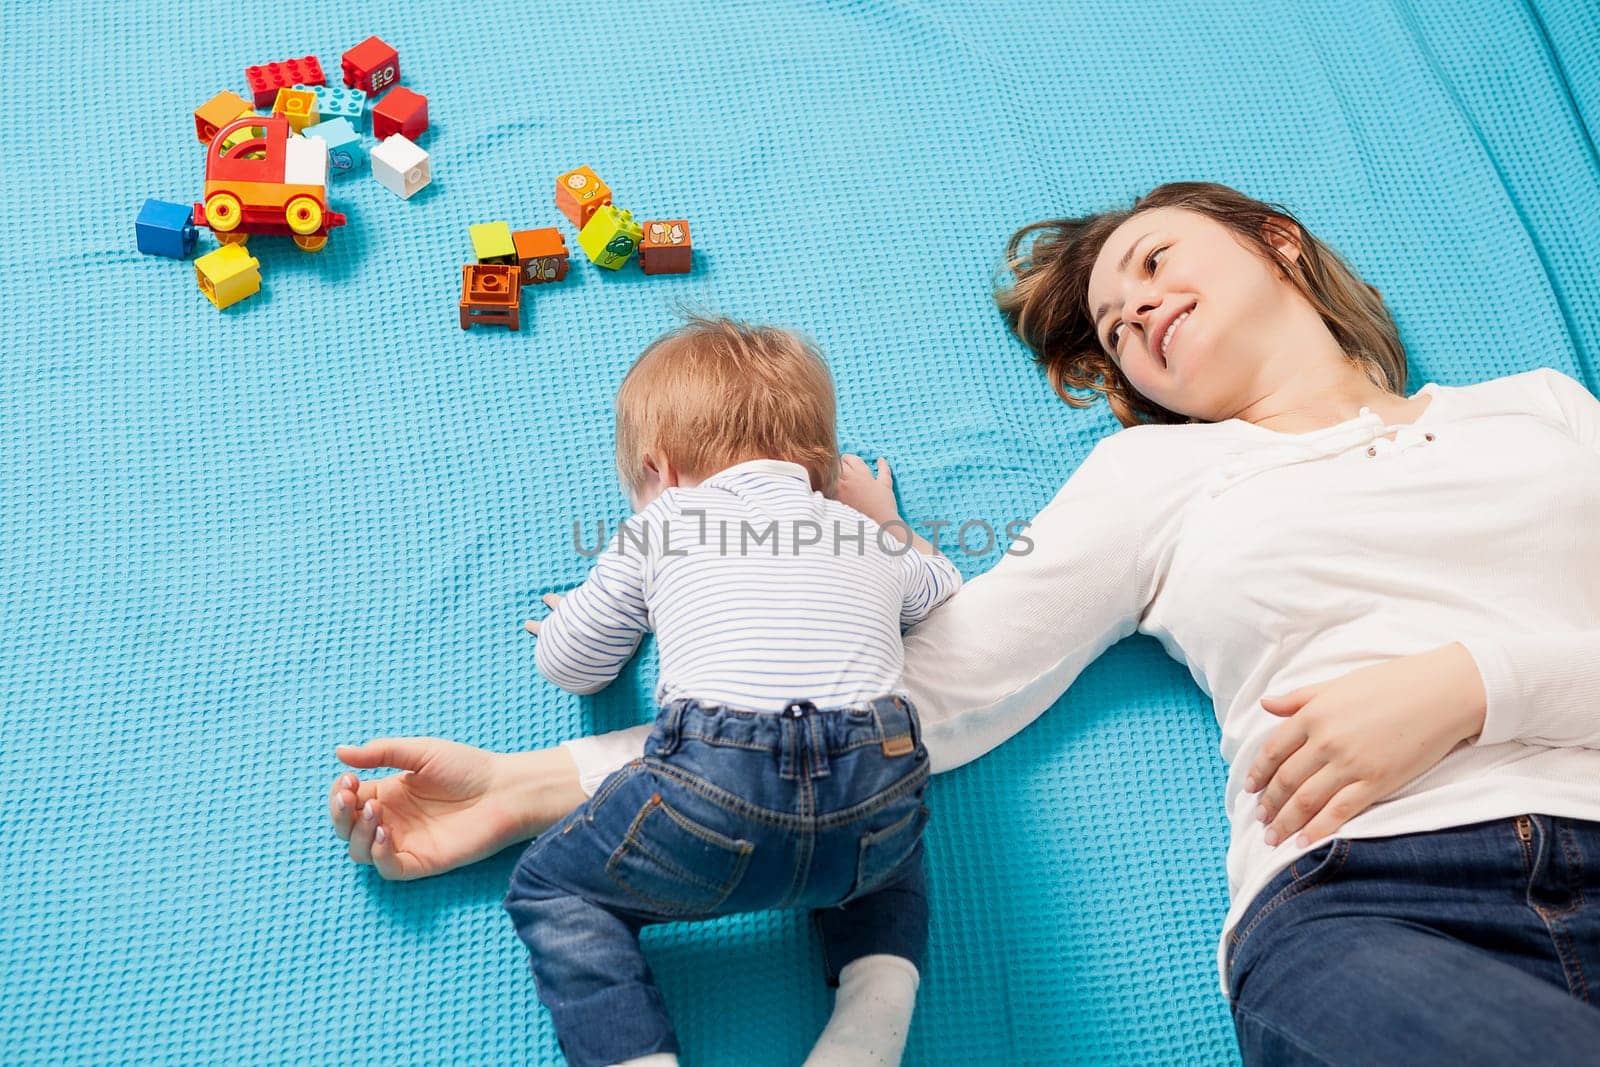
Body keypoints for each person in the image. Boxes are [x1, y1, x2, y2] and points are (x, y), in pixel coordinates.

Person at [333, 182, 1600, 1064]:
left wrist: (1480, 679)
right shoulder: (1152, 481)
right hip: (1362, 897)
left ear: (1276, 241)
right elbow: (907, 698)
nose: (1138, 313)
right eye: (1114, 327)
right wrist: (521, 785)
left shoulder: (1539, 409)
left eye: (1155, 262)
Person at [501, 316, 960, 1067]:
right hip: (871, 782)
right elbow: (941, 586)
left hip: (714, 786)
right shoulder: (856, 530)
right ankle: (869, 1021)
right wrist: (888, 518)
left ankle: (634, 1056)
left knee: (553, 887)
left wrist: (592, 613)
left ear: (660, 470)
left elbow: (573, 666)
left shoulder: (662, 525)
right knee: (891, 861)